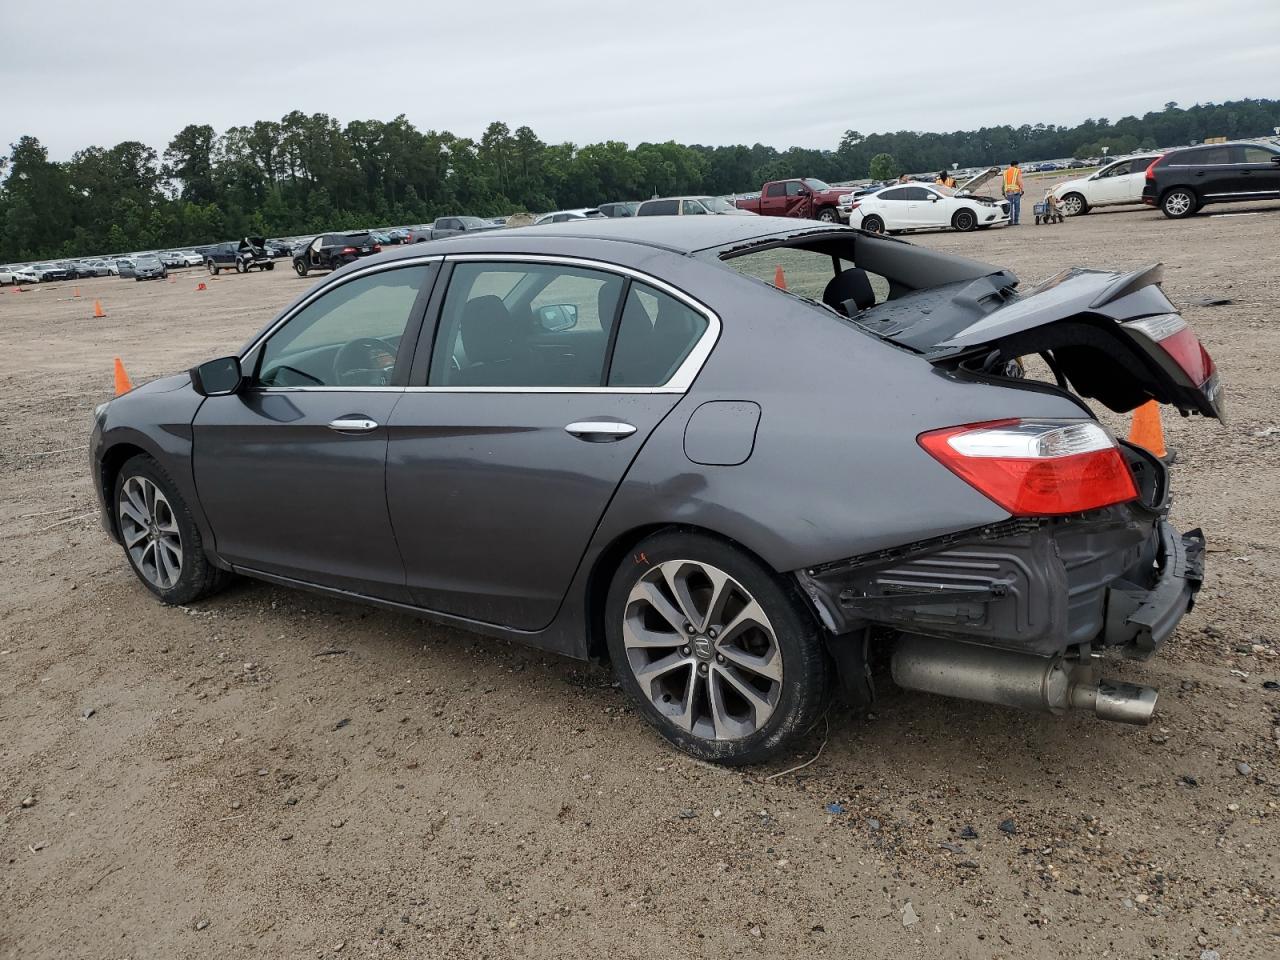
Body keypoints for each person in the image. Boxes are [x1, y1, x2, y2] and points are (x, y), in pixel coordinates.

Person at [1003, 160, 1024, 225]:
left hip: (1008, 192)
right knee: (1017, 207)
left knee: (1010, 208)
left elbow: (1003, 183)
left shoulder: (1005, 172)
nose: (1018, 166)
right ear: (1015, 165)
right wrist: (1022, 189)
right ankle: (1016, 221)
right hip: (1016, 191)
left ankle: (1010, 221)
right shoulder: (1017, 171)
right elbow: (1019, 181)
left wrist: (1003, 191)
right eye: (1017, 165)